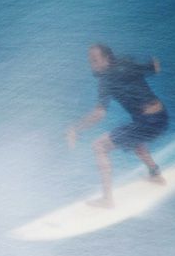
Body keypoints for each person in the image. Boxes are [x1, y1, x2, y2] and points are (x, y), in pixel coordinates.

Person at [66, 43, 168, 207]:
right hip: (161, 117)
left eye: (95, 60)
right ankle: (155, 174)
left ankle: (108, 200)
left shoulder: (106, 80)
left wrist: (75, 128)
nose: (92, 65)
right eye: (90, 61)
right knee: (134, 140)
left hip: (147, 122)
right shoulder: (125, 63)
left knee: (99, 146)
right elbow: (154, 68)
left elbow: (99, 114)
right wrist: (154, 62)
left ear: (106, 59)